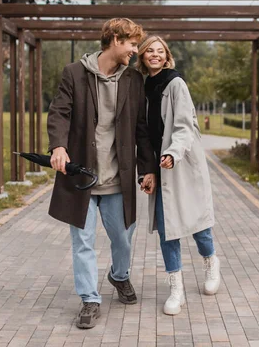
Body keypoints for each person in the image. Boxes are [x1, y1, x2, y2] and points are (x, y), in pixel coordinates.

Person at [47, 18, 156, 329]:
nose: (136, 50)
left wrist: (146, 169)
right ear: (115, 40)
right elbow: (59, 112)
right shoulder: (75, 73)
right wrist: (58, 146)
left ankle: (119, 276)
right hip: (81, 178)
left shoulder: (134, 80)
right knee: (82, 241)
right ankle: (90, 299)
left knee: (123, 239)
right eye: (132, 44)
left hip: (117, 178)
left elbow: (141, 129)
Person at [136, 35, 221, 316]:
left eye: (160, 51)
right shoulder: (141, 86)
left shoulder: (176, 84)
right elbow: (143, 134)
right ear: (143, 55)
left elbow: (184, 126)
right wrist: (148, 170)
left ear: (167, 56)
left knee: (197, 224)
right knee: (167, 229)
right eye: (150, 51)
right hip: (160, 168)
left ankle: (210, 262)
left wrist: (173, 153)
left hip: (180, 163)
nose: (155, 55)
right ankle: (177, 289)